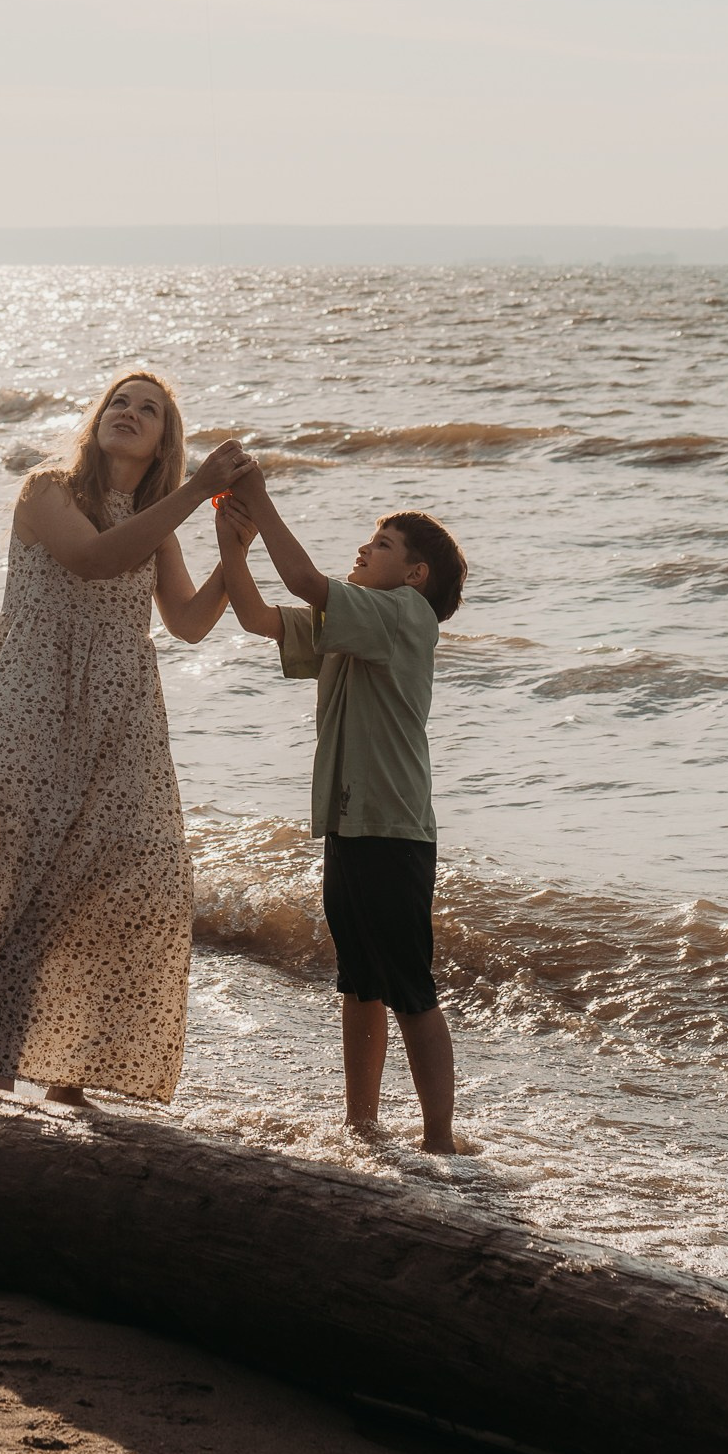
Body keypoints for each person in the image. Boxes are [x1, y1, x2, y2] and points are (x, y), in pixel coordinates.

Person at [0, 370, 242, 1108]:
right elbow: (90, 559)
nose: (130, 414)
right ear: (96, 418)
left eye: (149, 410)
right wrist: (197, 491)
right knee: (12, 878)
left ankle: (70, 1078)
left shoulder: (151, 514)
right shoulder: (50, 489)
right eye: (119, 402)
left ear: (164, 441)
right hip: (30, 700)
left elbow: (189, 622)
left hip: (118, 715)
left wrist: (234, 553)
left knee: (116, 882)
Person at [216, 473, 472, 1154]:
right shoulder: (357, 619)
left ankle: (440, 1140)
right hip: (352, 824)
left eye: (381, 543)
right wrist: (232, 548)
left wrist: (261, 500)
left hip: (392, 830)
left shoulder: (403, 616)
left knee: (409, 988)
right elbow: (257, 619)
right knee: (359, 982)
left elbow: (301, 579)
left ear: (414, 575)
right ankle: (362, 1124)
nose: (364, 547)